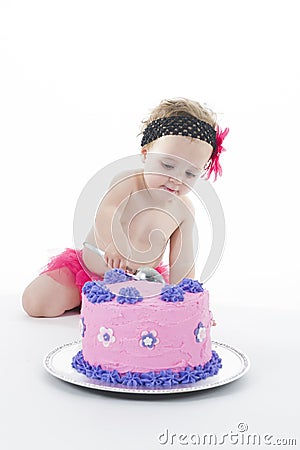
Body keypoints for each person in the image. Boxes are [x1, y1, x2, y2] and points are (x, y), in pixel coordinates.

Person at [22, 97, 229, 317]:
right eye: (167, 165)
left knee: (153, 317)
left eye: (190, 173)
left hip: (138, 283)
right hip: (90, 270)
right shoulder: (128, 183)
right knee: (36, 302)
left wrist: (188, 301)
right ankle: (88, 299)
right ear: (145, 154)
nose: (177, 179)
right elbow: (106, 211)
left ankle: (110, 306)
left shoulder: (184, 211)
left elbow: (183, 262)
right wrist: (113, 243)